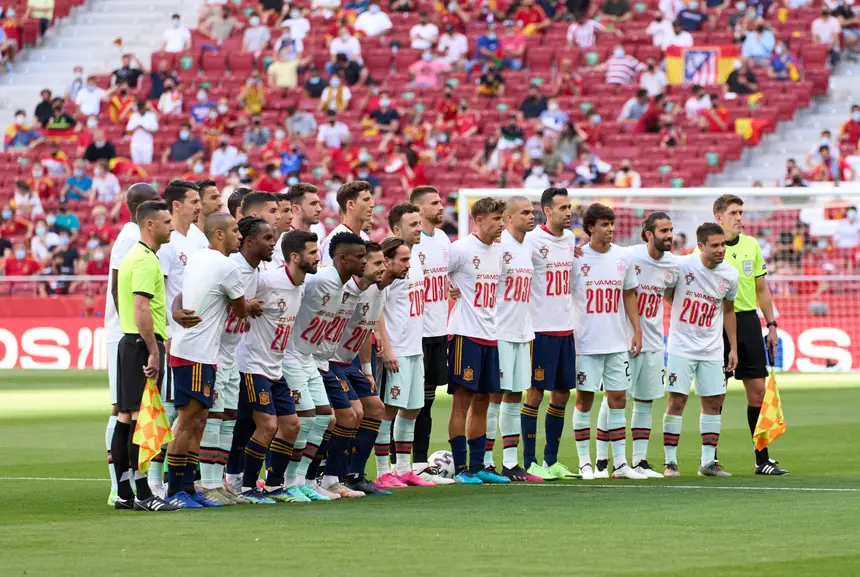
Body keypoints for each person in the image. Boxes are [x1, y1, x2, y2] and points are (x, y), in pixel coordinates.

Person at [164, 213, 259, 508]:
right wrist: (251, 305)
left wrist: (178, 309)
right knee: (187, 422)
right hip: (196, 353)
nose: (239, 236)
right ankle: (175, 490)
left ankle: (189, 487)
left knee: (199, 421)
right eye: (234, 230)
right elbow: (242, 311)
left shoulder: (197, 258)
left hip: (194, 350)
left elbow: (180, 294)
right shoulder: (226, 265)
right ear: (219, 234)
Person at [279, 231, 368, 500]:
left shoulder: (341, 286)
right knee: (303, 420)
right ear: (342, 258)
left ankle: (305, 480)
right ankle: (285, 481)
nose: (364, 262)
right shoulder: (319, 281)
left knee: (325, 418)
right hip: (291, 355)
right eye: (360, 257)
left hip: (311, 359)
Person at [596, 212, 678, 478]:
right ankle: (601, 461)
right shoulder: (628, 256)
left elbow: (675, 290)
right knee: (615, 399)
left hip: (654, 341)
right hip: (623, 340)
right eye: (664, 231)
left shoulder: (673, 265)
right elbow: (600, 255)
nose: (669, 235)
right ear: (649, 234)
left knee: (645, 401)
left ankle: (640, 461)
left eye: (671, 230)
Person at [232, 227, 311, 503]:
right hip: (252, 365)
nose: (317, 257)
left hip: (275, 367)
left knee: (291, 425)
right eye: (313, 253)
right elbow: (237, 302)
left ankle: (275, 486)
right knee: (266, 425)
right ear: (295, 257)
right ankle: (247, 486)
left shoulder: (299, 286)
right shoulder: (267, 281)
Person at [711, 194, 787, 475]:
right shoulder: (705, 248)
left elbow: (761, 288)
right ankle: (711, 459)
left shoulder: (751, 245)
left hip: (748, 322)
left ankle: (762, 459)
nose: (739, 217)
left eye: (741, 212)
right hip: (716, 325)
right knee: (715, 395)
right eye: (733, 212)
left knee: (757, 393)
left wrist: (772, 325)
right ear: (719, 217)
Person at [112, 200, 179, 511]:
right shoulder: (145, 260)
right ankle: (142, 494)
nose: (171, 227)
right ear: (150, 225)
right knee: (141, 419)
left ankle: (126, 494)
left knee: (126, 419)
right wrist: (153, 349)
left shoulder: (135, 257)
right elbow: (142, 308)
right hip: (141, 344)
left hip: (130, 343)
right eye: (166, 222)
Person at [570, 203, 645, 480]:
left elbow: (629, 294)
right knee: (584, 400)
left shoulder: (623, 257)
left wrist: (636, 330)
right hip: (586, 342)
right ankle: (584, 462)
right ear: (591, 227)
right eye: (604, 224)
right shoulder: (576, 258)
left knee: (617, 399)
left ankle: (621, 464)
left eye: (612, 223)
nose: (610, 229)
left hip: (617, 341)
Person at [663, 223, 739, 477]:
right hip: (681, 346)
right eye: (715, 245)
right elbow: (668, 292)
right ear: (701, 246)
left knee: (714, 402)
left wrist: (733, 348)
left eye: (723, 245)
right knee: (677, 400)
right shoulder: (683, 266)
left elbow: (729, 311)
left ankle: (708, 462)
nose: (721, 250)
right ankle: (670, 462)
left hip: (712, 349)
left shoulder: (729, 275)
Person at [331, 239, 404, 494]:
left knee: (375, 408)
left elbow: (364, 331)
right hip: (331, 360)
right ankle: (331, 474)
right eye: (377, 262)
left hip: (350, 362)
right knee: (352, 413)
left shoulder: (378, 291)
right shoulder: (349, 291)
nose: (383, 267)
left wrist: (367, 370)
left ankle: (354, 474)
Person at [446, 197, 511, 485]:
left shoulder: (499, 252)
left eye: (502, 218)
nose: (500, 224)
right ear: (479, 220)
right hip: (465, 334)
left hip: (490, 334)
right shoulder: (460, 249)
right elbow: (435, 274)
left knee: (484, 399)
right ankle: (460, 468)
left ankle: (478, 464)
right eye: (496, 219)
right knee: (462, 400)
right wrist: (449, 286)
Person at [103, 183, 159, 506]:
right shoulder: (129, 238)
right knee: (123, 410)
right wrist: (132, 330)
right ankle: (118, 486)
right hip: (124, 333)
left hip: (127, 331)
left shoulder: (132, 236)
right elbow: (116, 286)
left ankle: (127, 486)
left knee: (132, 411)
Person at [480, 196, 543, 482]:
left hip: (522, 330)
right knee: (496, 395)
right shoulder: (498, 247)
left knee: (515, 395)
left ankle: (509, 462)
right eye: (525, 213)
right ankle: (485, 462)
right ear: (507, 217)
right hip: (500, 331)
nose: (532, 216)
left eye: (533, 212)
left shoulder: (528, 245)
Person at [519, 188, 579, 480]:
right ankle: (530, 461)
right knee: (534, 393)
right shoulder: (531, 241)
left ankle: (551, 460)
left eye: (570, 207)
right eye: (563, 207)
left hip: (565, 329)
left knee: (563, 394)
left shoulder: (570, 240)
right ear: (548, 211)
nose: (569, 212)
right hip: (540, 330)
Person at [373, 204, 435, 487]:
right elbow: (376, 309)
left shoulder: (414, 260)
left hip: (414, 347)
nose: (419, 228)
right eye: (413, 224)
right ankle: (383, 471)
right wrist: (385, 346)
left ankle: (403, 469)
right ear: (397, 229)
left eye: (420, 223)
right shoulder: (388, 267)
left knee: (412, 408)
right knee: (389, 409)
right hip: (396, 348)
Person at [403, 187, 454, 483]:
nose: (441, 206)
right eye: (434, 202)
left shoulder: (444, 239)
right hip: (416, 332)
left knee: (428, 400)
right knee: (409, 403)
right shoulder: (411, 244)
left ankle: (420, 464)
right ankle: (399, 465)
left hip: (438, 330)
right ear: (418, 209)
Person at [319, 181, 373, 265]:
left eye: (371, 199)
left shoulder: (364, 236)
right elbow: (329, 277)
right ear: (351, 204)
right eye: (366, 200)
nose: (372, 204)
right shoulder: (332, 241)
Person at [126, 99, 159, 164]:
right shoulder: (134, 116)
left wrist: (145, 129)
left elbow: (154, 130)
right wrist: (136, 128)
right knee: (136, 165)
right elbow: (128, 130)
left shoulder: (151, 115)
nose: (141, 110)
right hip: (135, 144)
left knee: (147, 164)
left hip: (147, 144)